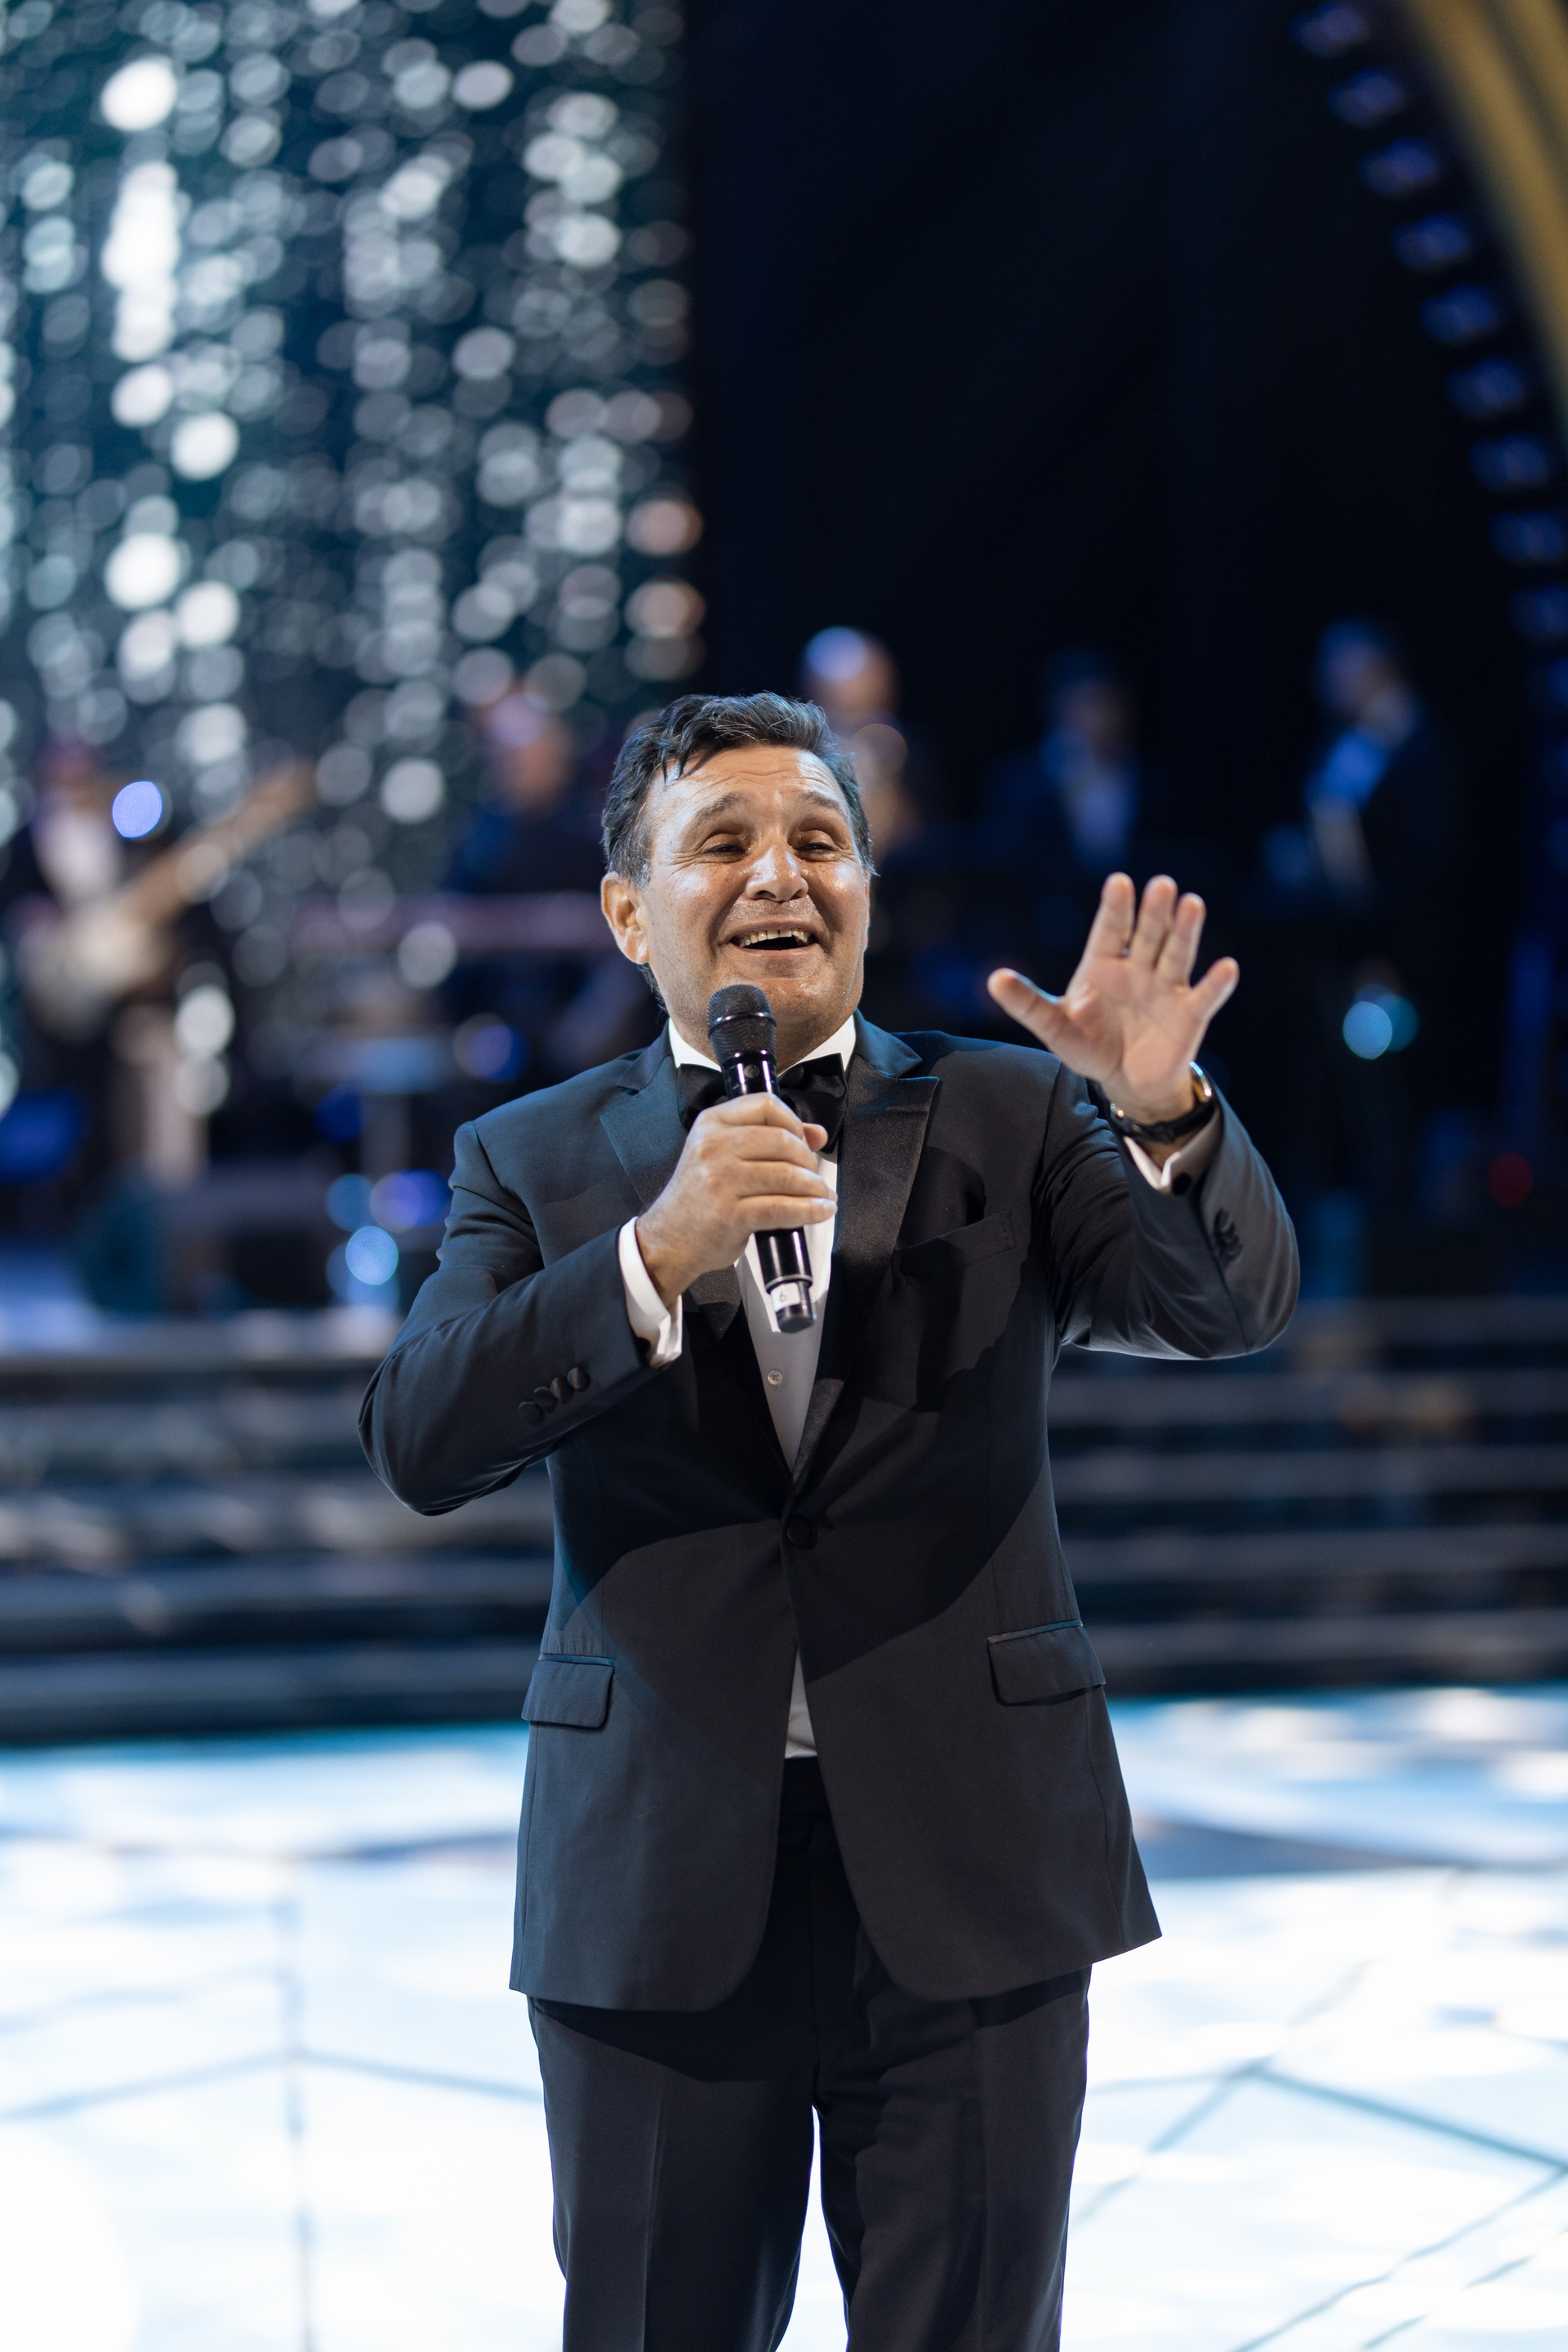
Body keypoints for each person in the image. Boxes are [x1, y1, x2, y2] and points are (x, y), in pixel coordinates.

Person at [362, 691, 1297, 2350]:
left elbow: (1224, 1308)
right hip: (659, 1876)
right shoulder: (533, 1158)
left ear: (866, 887)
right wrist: (655, 1252)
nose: (780, 874)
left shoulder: (1016, 1115)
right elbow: (422, 1437)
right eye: (722, 842)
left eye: (818, 840)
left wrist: (1166, 1113)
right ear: (629, 912)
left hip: (973, 1866)